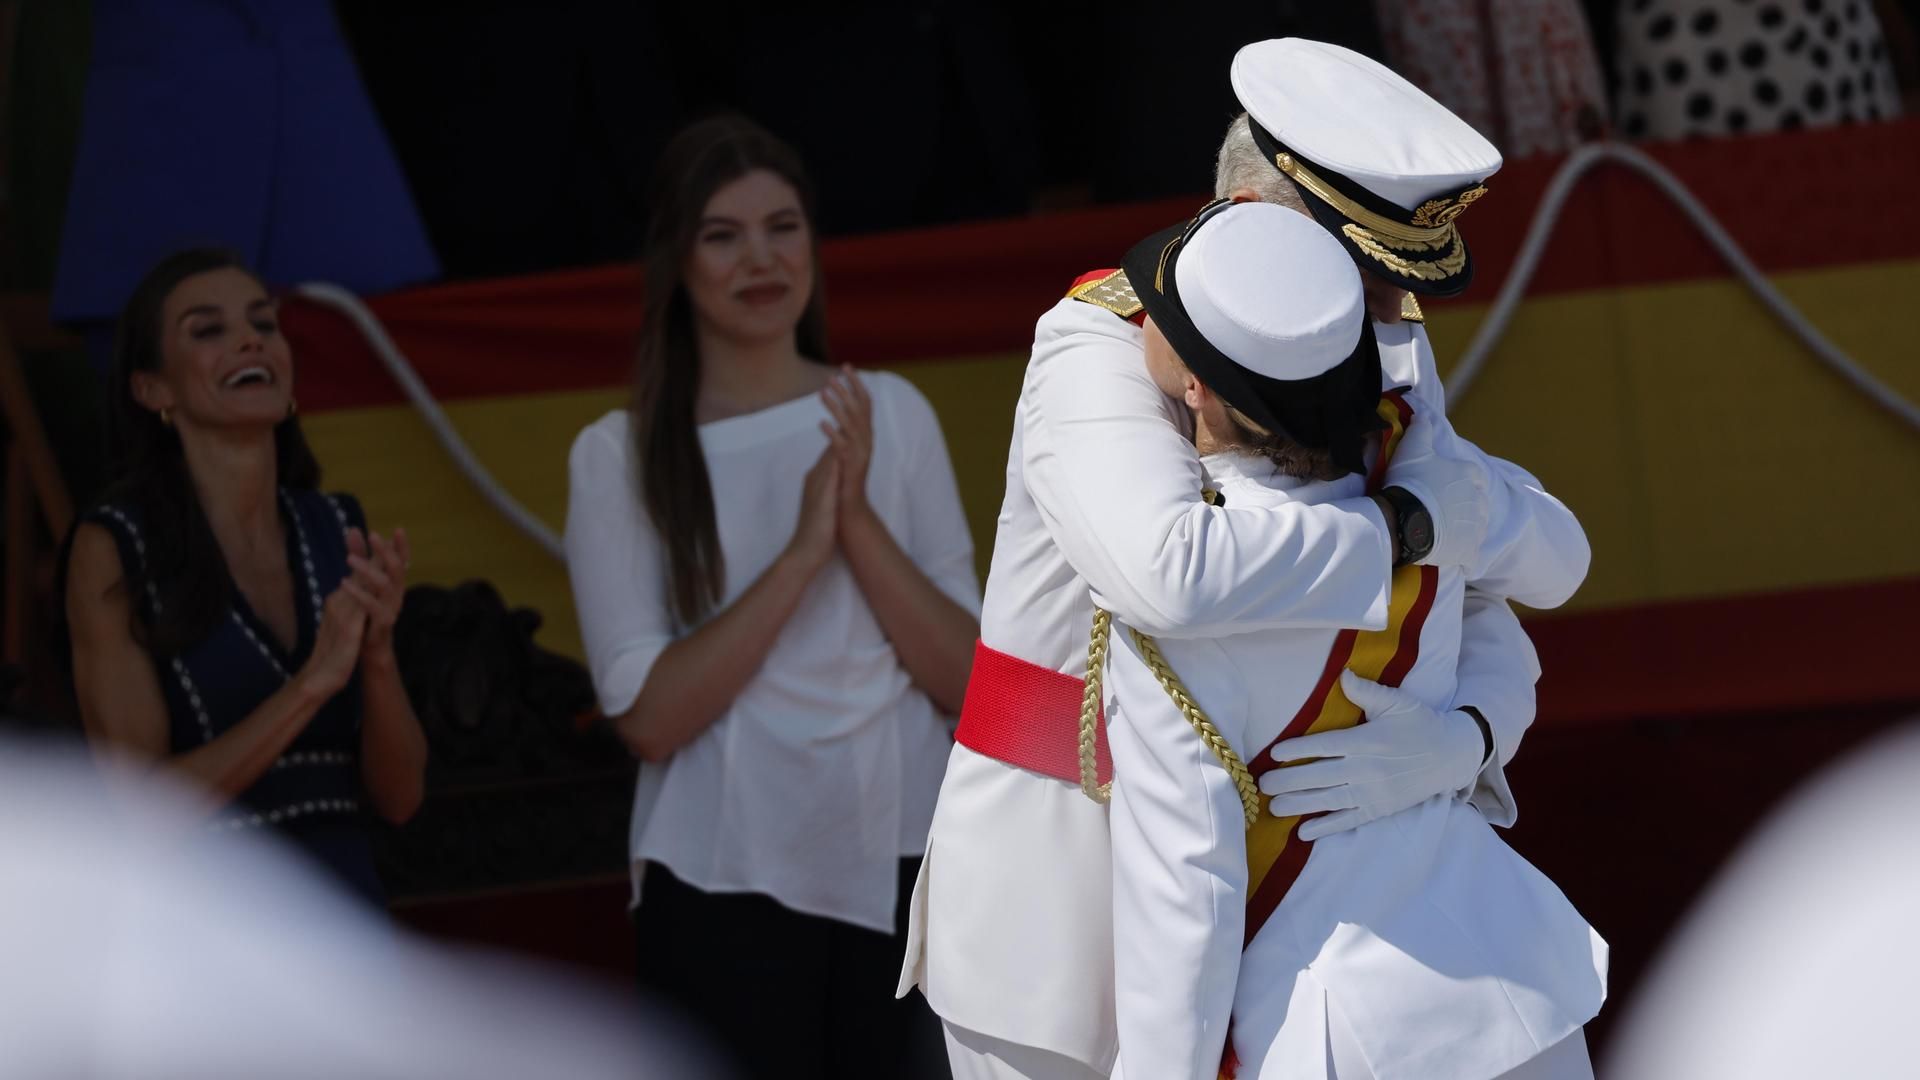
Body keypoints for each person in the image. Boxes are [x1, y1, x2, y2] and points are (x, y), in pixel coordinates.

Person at [901, 38, 1592, 1080]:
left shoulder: (1366, 337)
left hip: (1302, 907)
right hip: (1066, 900)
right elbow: (1167, 573)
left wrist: (1473, 733)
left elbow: (1472, 593)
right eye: (1367, 274)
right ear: (1254, 218)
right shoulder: (1097, 340)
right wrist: (1406, 526)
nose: (1390, 314)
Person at [1103, 200, 1605, 1080]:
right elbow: (1531, 587)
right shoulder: (1420, 475)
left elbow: (1185, 888)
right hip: (1515, 987)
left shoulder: (1182, 604)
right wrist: (1470, 740)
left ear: (1195, 388)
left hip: (1338, 1033)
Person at [563, 113, 978, 1079]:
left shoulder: (890, 411)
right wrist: (800, 555)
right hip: (723, 877)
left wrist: (856, 524)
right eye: (723, 234)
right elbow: (650, 718)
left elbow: (971, 680)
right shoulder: (617, 455)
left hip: (911, 861)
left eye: (782, 227)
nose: (760, 258)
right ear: (677, 260)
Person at [62, 248, 429, 906]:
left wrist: (376, 656)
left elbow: (401, 799)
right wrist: (311, 685)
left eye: (263, 323)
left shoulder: (335, 525)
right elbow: (141, 812)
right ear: (153, 390)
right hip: (212, 923)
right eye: (209, 330)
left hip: (346, 908)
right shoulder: (113, 546)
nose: (250, 340)